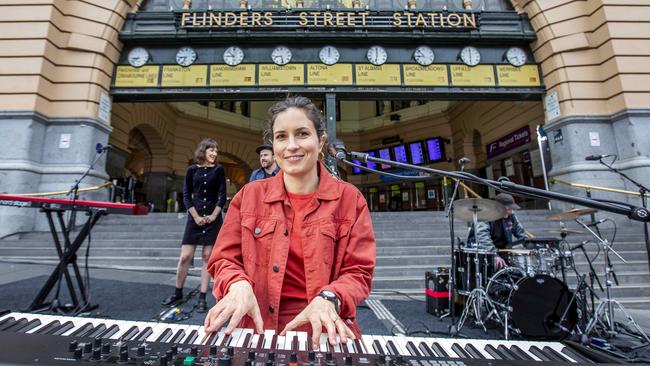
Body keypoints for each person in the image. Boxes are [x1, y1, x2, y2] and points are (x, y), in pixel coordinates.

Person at [204, 96, 376, 349]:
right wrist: (236, 284)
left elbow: (358, 273)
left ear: (321, 142)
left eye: (302, 134)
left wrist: (330, 297)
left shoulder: (350, 199)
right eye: (281, 137)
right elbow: (223, 260)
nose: (291, 145)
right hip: (254, 331)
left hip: (324, 335)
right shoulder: (249, 196)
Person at [162, 138, 227, 312]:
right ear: (203, 151)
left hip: (213, 220)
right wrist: (196, 216)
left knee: (207, 257)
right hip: (194, 218)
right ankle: (177, 292)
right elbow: (186, 196)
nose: (214, 153)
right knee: (185, 257)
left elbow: (222, 195)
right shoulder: (191, 170)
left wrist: (214, 216)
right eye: (211, 150)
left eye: (216, 150)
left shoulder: (219, 170)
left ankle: (202, 297)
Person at [467, 193, 527, 268]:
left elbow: (522, 235)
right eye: (508, 209)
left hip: (503, 252)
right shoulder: (485, 215)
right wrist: (494, 255)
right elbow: (482, 236)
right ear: (499, 208)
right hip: (484, 253)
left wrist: (524, 248)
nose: (511, 212)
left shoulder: (510, 215)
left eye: (511, 209)